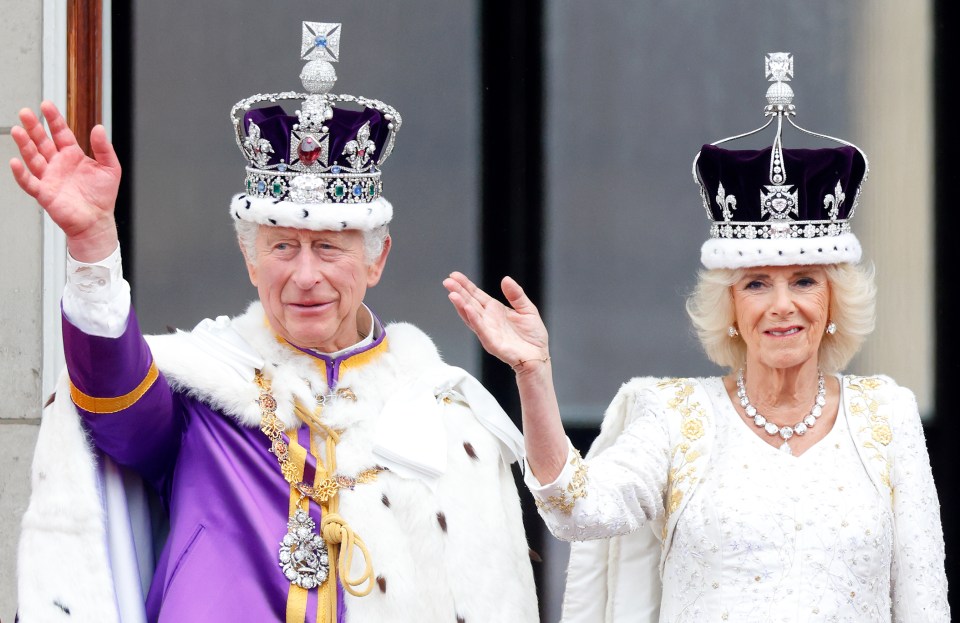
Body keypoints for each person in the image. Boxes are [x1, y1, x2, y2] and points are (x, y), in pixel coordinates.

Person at [12, 22, 537, 623]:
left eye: (330, 248)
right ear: (249, 259)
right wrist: (93, 244)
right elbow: (111, 400)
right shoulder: (204, 393)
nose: (305, 274)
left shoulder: (441, 416)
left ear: (376, 261)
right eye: (283, 247)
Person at [444, 53, 949, 622]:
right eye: (757, 283)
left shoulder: (888, 416)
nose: (783, 305)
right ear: (731, 307)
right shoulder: (674, 416)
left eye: (804, 280)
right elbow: (575, 511)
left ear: (832, 299)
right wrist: (533, 374)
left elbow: (924, 600)